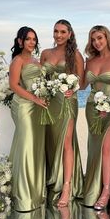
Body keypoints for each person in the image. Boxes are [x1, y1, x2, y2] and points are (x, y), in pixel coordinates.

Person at [83, 25, 110, 210]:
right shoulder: (90, 62)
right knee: (95, 150)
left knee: (106, 148)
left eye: (100, 38)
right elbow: (81, 86)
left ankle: (106, 190)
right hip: (92, 110)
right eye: (93, 39)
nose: (97, 42)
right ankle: (93, 187)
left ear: (107, 38)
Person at [40, 19, 84, 207]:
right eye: (56, 31)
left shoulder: (75, 55)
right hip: (49, 103)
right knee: (49, 141)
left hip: (67, 102)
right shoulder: (45, 53)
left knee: (66, 143)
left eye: (63, 32)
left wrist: (72, 89)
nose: (58, 35)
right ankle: (50, 181)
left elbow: (80, 82)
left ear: (70, 34)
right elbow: (41, 78)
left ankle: (66, 188)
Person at [9, 26, 47, 211]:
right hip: (23, 106)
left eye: (34, 39)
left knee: (35, 147)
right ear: (20, 42)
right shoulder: (18, 60)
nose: (32, 42)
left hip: (38, 107)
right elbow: (14, 85)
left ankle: (35, 193)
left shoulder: (36, 60)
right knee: (26, 145)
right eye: (28, 39)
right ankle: (23, 196)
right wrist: (34, 98)